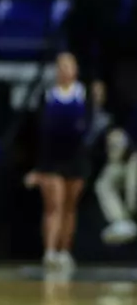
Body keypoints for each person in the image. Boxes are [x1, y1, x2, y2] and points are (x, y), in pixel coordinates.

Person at [27, 52, 91, 277]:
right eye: (60, 66)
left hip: (75, 158)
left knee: (69, 207)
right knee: (54, 204)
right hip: (51, 160)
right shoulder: (47, 95)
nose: (64, 70)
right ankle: (50, 251)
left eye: (68, 65)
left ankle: (65, 251)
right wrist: (37, 168)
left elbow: (89, 128)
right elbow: (38, 134)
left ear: (76, 70)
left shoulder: (84, 94)